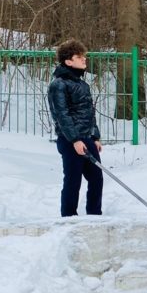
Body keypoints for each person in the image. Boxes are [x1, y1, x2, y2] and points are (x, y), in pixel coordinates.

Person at [47, 39, 104, 217]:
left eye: (84, 56)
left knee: (96, 179)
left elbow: (89, 112)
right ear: (68, 61)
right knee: (73, 181)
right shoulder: (58, 85)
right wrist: (75, 140)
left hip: (87, 139)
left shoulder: (82, 85)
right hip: (70, 141)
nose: (84, 60)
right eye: (79, 57)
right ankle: (68, 217)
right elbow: (61, 116)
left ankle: (95, 216)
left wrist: (95, 136)